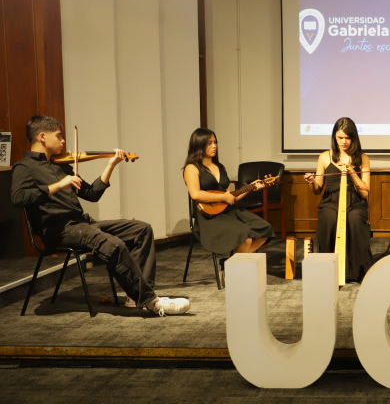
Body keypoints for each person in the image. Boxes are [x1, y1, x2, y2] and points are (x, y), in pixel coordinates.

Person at [11, 115, 189, 316]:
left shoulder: (61, 165)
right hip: (58, 230)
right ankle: (151, 301)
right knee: (114, 245)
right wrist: (59, 185)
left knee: (142, 230)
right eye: (59, 136)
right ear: (42, 136)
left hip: (82, 224)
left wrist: (111, 165)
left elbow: (91, 194)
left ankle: (134, 297)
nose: (63, 141)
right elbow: (18, 198)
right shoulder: (24, 167)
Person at [183, 128, 274, 276]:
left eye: (215, 142)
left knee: (265, 228)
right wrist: (223, 197)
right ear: (199, 145)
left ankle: (231, 264)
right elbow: (196, 194)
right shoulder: (192, 168)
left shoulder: (221, 167)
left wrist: (250, 187)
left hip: (229, 210)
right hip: (208, 216)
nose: (214, 146)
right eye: (209, 143)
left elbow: (232, 197)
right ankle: (237, 272)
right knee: (244, 235)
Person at [303, 117, 373, 282]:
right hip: (331, 201)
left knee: (354, 219)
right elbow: (317, 190)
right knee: (329, 218)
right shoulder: (324, 157)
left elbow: (365, 193)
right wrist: (312, 182)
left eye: (347, 138)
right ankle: (328, 268)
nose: (343, 142)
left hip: (355, 202)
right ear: (334, 136)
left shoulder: (363, 158)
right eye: (340, 137)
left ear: (353, 138)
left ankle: (356, 270)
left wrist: (351, 169)